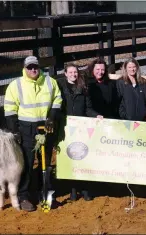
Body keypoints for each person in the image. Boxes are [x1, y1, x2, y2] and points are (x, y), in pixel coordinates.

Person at [4, 56, 63, 212]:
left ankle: (45, 193)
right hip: (26, 128)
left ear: (39, 67)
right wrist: (14, 130)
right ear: (25, 68)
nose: (33, 70)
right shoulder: (16, 85)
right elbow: (10, 109)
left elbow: (57, 99)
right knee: (27, 163)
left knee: (46, 162)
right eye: (29, 67)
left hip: (46, 126)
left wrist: (52, 116)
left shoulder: (50, 82)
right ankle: (24, 196)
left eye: (35, 67)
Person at [57, 63, 102, 202]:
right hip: (66, 129)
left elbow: (88, 108)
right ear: (65, 74)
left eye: (75, 72)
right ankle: (73, 190)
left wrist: (96, 115)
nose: (73, 75)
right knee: (71, 159)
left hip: (82, 128)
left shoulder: (83, 88)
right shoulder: (60, 88)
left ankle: (85, 189)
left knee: (83, 158)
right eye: (70, 72)